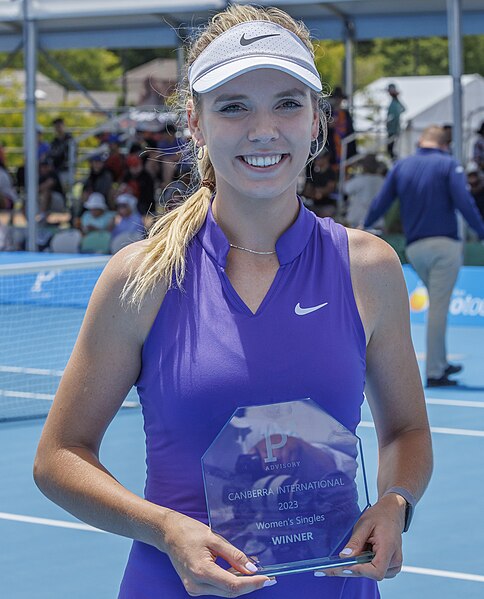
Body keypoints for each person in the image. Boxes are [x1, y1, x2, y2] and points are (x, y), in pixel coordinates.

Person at [34, 5, 432, 599]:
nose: (263, 128)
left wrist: (396, 502)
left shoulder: (368, 268)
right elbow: (59, 456)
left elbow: (405, 430)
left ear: (317, 120)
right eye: (234, 105)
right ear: (195, 122)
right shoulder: (141, 277)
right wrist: (166, 529)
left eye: (288, 103)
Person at [364, 125, 484, 387]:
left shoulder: (402, 166)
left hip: (414, 249)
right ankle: (434, 370)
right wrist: (481, 230)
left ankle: (439, 360)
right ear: (444, 144)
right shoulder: (449, 164)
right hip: (444, 246)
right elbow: (465, 202)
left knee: (435, 305)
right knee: (438, 309)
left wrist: (362, 225)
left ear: (421, 142)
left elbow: (380, 202)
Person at [343, 154, 385, 229]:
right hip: (377, 221)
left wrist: (348, 175)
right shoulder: (382, 180)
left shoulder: (359, 180)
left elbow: (346, 189)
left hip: (358, 221)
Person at [49, 117, 72, 191]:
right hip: (55, 171)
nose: (57, 128)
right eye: (56, 126)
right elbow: (51, 156)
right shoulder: (54, 142)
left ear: (63, 126)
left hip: (66, 169)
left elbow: (67, 156)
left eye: (59, 126)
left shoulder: (70, 140)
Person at [386, 84, 405, 161]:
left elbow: (403, 109)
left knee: (391, 147)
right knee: (390, 147)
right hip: (391, 129)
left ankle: (394, 159)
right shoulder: (394, 103)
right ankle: (393, 158)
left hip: (394, 129)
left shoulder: (395, 103)